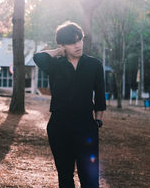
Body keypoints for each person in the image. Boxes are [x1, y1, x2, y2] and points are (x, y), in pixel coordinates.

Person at [33, 21, 106, 188]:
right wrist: (59, 51)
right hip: (59, 126)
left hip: (86, 125)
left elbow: (100, 96)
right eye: (72, 42)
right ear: (63, 45)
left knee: (89, 177)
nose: (78, 45)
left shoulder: (94, 65)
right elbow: (38, 57)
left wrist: (98, 121)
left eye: (79, 40)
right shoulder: (55, 65)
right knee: (65, 176)